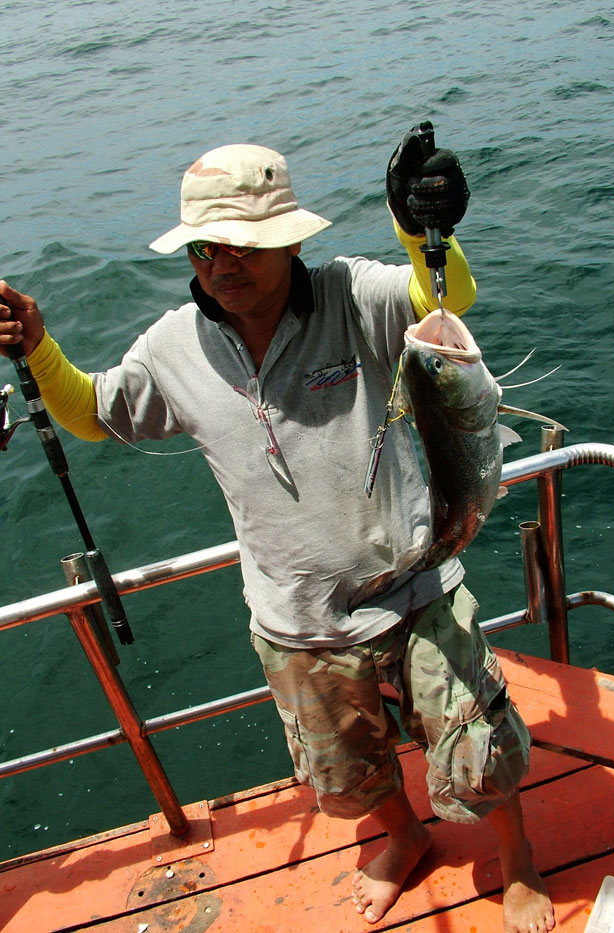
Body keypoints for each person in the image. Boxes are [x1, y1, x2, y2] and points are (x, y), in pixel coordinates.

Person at [0, 129, 555, 933]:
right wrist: (42, 346)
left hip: (416, 578)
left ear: (290, 240)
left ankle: (518, 858)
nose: (222, 265)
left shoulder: (349, 296)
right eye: (203, 249)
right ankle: (403, 838)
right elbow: (91, 412)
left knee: (481, 747)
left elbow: (445, 303)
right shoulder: (170, 349)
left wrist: (418, 227)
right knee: (348, 776)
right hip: (296, 616)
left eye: (243, 246)